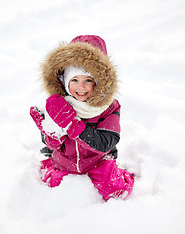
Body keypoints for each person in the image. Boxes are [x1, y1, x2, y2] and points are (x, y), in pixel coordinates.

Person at [30, 35, 134, 201]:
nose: (81, 87)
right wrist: (51, 134)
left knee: (115, 190)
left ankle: (124, 176)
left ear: (99, 83)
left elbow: (106, 141)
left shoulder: (109, 107)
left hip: (98, 161)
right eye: (75, 80)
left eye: (88, 80)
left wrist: (73, 126)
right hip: (65, 161)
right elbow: (51, 144)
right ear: (65, 82)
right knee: (54, 191)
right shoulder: (58, 105)